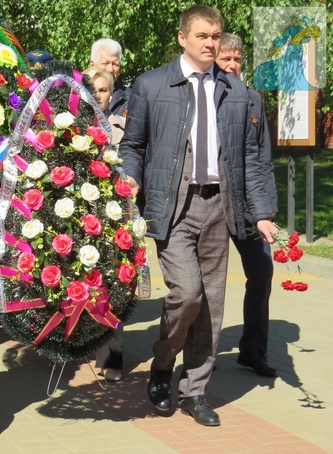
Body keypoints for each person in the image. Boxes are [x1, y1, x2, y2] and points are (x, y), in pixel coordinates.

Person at [118, 5, 277, 426]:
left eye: (216, 36)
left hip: (219, 205)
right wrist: (130, 179)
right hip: (173, 205)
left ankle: (194, 391)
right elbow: (132, 146)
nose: (211, 43)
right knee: (186, 294)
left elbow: (253, 160)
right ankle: (162, 363)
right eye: (203, 36)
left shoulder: (236, 92)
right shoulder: (152, 85)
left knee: (212, 305)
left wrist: (261, 214)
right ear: (182, 38)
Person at [216, 32, 279, 377]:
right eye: (226, 58)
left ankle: (253, 349)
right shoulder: (205, 99)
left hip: (247, 206)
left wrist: (266, 212)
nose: (232, 64)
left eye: (237, 59)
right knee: (205, 282)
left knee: (262, 270)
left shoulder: (253, 99)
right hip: (210, 202)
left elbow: (262, 160)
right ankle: (200, 356)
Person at [82, 67, 125, 381]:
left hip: (112, 216)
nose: (97, 96)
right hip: (77, 217)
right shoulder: (68, 129)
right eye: (92, 89)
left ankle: (111, 358)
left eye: (103, 90)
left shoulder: (123, 129)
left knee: (111, 283)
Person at [89, 38, 128, 116]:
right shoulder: (76, 94)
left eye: (115, 64)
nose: (110, 70)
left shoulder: (131, 99)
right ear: (92, 65)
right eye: (105, 63)